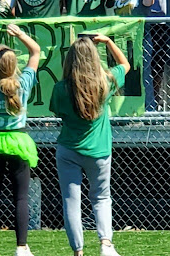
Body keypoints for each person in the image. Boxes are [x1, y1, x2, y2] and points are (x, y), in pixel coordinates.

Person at [50, 34, 131, 256]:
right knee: (102, 197)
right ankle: (106, 244)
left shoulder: (60, 88)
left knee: (71, 201)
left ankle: (78, 251)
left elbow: (58, 113)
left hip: (68, 149)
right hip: (99, 151)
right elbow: (126, 64)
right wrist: (108, 42)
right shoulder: (106, 81)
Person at [0, 23, 41, 256]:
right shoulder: (23, 83)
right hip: (18, 141)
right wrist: (21, 33)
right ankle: (21, 247)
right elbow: (36, 52)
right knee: (21, 197)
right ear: (14, 65)